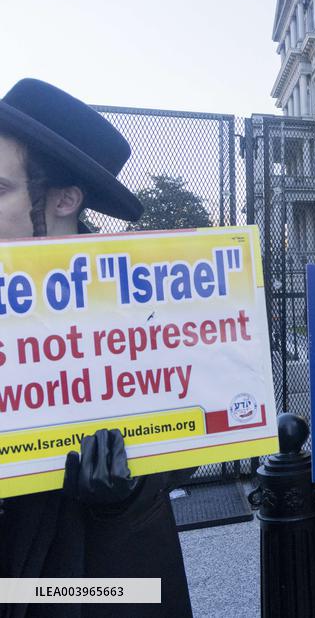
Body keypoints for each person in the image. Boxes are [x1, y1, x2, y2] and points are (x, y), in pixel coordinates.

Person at [0, 79, 192, 618]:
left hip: (108, 572)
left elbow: (194, 440)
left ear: (63, 198)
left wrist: (130, 489)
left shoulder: (144, 303)